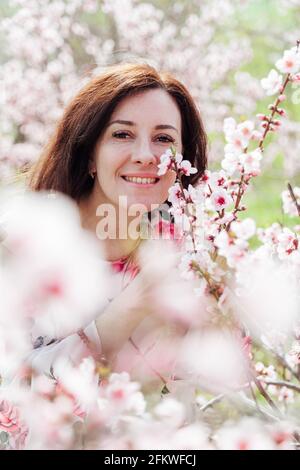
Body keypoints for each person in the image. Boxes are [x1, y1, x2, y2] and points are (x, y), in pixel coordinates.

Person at [26, 62, 207, 390]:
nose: (146, 155)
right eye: (122, 134)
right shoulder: (25, 243)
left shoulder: (186, 255)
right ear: (90, 154)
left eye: (163, 138)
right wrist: (133, 305)